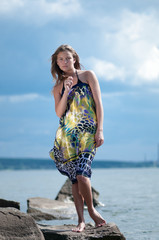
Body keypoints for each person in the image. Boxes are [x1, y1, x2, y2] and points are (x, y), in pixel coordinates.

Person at [49, 44, 106, 232]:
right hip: (67, 136)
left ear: (74, 58)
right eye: (60, 60)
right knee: (74, 178)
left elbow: (98, 104)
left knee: (82, 173)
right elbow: (59, 112)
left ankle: (91, 211)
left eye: (67, 58)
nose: (65, 62)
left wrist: (100, 130)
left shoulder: (88, 75)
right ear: (56, 63)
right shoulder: (58, 87)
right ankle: (80, 221)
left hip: (88, 133)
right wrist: (65, 90)